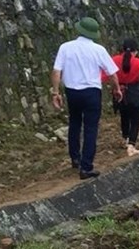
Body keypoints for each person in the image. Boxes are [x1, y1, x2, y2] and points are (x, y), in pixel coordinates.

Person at [50, 17, 121, 179]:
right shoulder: (99, 50)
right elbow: (112, 74)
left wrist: (55, 92)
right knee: (90, 128)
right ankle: (86, 166)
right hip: (91, 92)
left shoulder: (65, 47)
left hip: (72, 92)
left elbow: (56, 71)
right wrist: (116, 89)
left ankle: (75, 158)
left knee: (74, 122)